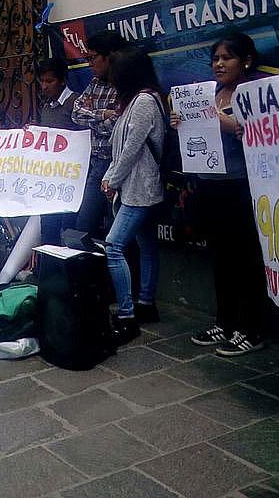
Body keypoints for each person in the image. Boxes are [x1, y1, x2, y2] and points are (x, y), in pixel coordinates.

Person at [173, 33, 270, 357]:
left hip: (239, 187)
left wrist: (221, 121)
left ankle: (252, 329)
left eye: (226, 58)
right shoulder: (209, 94)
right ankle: (226, 322)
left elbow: (257, 136)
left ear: (245, 61)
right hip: (209, 186)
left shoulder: (252, 94)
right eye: (215, 58)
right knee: (220, 259)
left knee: (246, 261)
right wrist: (181, 122)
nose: (219, 64)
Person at [101, 47, 165, 344]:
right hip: (139, 186)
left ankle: (127, 314)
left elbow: (131, 148)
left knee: (114, 246)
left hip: (141, 189)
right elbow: (122, 147)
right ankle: (146, 302)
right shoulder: (137, 101)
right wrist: (110, 176)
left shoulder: (142, 102)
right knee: (146, 243)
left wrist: (112, 179)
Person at [72, 30, 126, 239]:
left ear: (110, 56)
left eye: (92, 58)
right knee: (83, 227)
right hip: (96, 165)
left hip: (118, 167)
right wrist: (103, 113)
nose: (89, 64)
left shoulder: (124, 86)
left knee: (116, 234)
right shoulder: (94, 84)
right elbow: (76, 113)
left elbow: (117, 127)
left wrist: (95, 120)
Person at [32, 58, 84, 244]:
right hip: (50, 183)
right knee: (48, 230)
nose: (44, 86)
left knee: (69, 231)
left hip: (71, 182)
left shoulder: (75, 104)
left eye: (49, 81)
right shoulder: (47, 107)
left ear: (62, 80)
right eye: (41, 81)